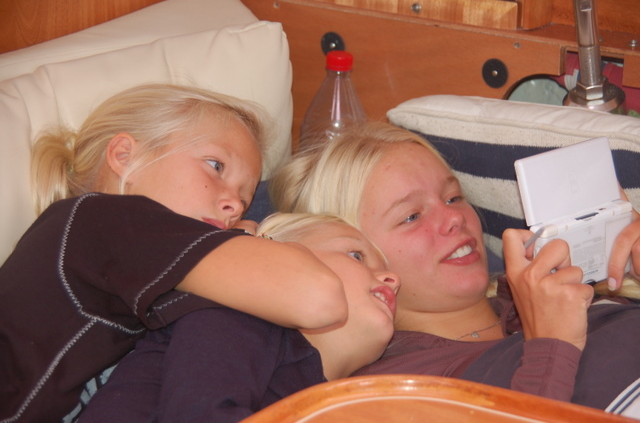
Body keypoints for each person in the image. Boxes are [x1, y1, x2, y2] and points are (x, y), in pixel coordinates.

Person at [0, 84, 350, 423]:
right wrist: (248, 240)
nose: (233, 205)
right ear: (125, 156)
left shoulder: (138, 268)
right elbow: (317, 297)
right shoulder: (101, 220)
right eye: (216, 166)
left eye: (244, 201)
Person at [270, 121, 640, 410]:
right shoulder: (393, 388)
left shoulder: (575, 289)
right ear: (358, 253)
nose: (454, 218)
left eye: (453, 197)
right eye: (412, 216)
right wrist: (551, 345)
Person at [79, 212, 399, 422]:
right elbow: (198, 414)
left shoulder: (317, 389)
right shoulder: (239, 315)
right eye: (356, 255)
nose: (392, 279)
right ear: (280, 254)